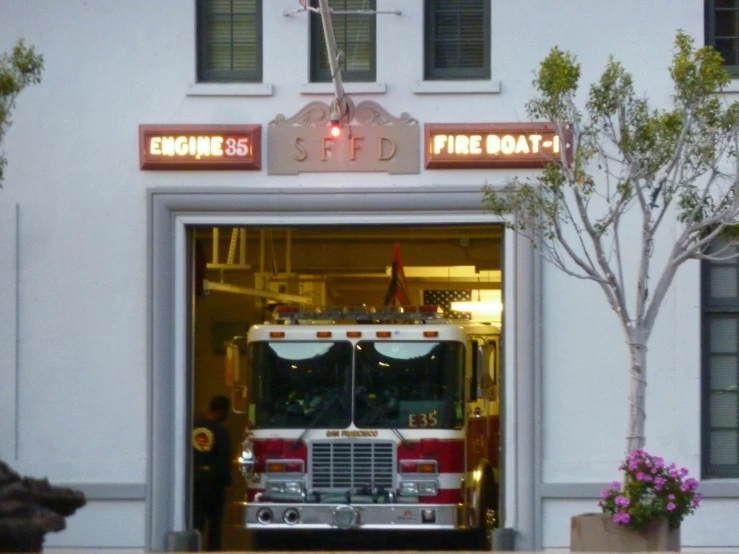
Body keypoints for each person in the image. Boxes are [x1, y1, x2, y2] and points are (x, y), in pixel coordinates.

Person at [192, 395, 232, 551]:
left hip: (194, 479)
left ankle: (195, 549)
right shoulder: (221, 432)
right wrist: (227, 483)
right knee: (214, 524)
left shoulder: (193, 427)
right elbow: (223, 460)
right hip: (214, 482)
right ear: (221, 411)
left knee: (196, 521)